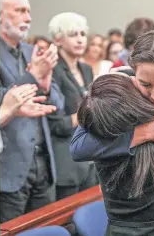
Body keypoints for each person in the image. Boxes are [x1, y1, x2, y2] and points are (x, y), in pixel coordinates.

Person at [71, 30, 154, 236]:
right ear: (135, 75)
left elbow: (79, 148)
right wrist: (145, 132)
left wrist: (121, 74)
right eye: (145, 83)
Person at [0, 0, 64, 222]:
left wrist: (45, 86)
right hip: (8, 164)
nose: (27, 18)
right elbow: (3, 101)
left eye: (28, 11)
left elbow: (58, 104)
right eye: (20, 11)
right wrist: (33, 76)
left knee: (43, 228)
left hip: (43, 163)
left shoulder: (32, 52)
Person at [47, 12, 98, 200]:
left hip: (89, 155)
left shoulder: (86, 69)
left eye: (82, 34)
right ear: (58, 39)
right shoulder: (52, 71)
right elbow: (56, 124)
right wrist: (85, 114)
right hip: (65, 160)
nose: (80, 40)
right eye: (73, 34)